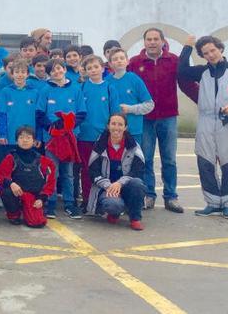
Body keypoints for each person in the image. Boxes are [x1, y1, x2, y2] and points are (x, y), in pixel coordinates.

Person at [179, 35, 228, 219]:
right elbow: (181, 71)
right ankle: (213, 203)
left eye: (213, 50)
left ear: (220, 49)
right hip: (206, 121)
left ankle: (227, 204)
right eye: (205, 53)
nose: (211, 55)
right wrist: (187, 48)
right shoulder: (201, 72)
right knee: (205, 162)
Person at [128, 27, 186, 213]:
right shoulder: (135, 63)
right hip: (145, 118)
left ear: (163, 41)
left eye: (155, 39)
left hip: (168, 117)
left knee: (169, 159)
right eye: (149, 39)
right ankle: (149, 194)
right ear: (144, 42)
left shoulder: (174, 60)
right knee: (146, 159)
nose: (152, 42)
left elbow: (186, 81)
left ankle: (171, 196)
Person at [36, 59, 86, 219]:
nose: (56, 72)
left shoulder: (76, 89)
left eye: (59, 68)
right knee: (52, 171)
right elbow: (39, 113)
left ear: (64, 69)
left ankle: (70, 203)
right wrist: (51, 128)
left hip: (70, 137)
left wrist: (67, 126)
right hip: (51, 139)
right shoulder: (45, 90)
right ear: (49, 74)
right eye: (52, 71)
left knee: (68, 172)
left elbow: (82, 114)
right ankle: (50, 203)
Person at [85, 114, 147, 231]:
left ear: (125, 127)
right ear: (108, 126)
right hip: (106, 188)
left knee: (138, 184)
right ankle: (114, 213)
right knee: (114, 205)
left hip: (126, 186)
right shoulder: (99, 146)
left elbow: (138, 171)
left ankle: (135, 219)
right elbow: (93, 171)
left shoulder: (134, 147)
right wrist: (109, 186)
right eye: (113, 124)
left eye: (120, 124)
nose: (116, 128)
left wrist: (119, 184)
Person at [0, 126, 56, 228]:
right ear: (16, 140)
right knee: (7, 191)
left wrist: (42, 199)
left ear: (33, 141)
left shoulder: (43, 161)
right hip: (17, 194)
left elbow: (50, 182)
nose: (25, 140)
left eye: (28, 138)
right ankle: (14, 214)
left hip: (34, 196)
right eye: (21, 137)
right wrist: (11, 183)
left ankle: (29, 210)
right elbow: (1, 176)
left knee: (37, 223)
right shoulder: (10, 158)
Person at [78, 55, 111, 204]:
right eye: (89, 68)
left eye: (96, 67)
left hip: (103, 136)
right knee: (86, 170)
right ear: (85, 71)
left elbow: (115, 114)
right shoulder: (82, 88)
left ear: (103, 68)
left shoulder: (110, 88)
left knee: (104, 170)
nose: (93, 70)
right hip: (84, 136)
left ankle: (103, 200)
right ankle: (86, 200)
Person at [106, 48, 154, 147]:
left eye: (122, 58)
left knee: (132, 160)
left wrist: (131, 109)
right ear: (110, 64)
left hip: (133, 130)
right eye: (115, 59)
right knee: (114, 160)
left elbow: (150, 104)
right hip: (112, 131)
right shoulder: (106, 82)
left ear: (127, 61)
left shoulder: (135, 79)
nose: (119, 61)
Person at [0, 60, 40, 147]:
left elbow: (38, 116)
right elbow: (2, 114)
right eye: (17, 72)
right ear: (12, 74)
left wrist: (38, 136)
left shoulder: (35, 92)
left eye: (23, 72)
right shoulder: (5, 92)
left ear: (28, 74)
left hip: (30, 137)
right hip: (11, 135)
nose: (20, 75)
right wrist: (2, 134)